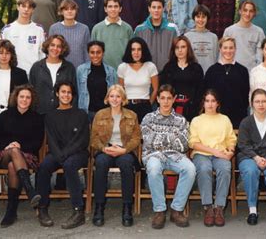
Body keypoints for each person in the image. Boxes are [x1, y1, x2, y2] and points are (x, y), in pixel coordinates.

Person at [141, 84, 196, 229]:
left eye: (169, 98)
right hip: (154, 155)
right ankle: (160, 211)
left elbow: (183, 144)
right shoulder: (148, 118)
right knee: (153, 169)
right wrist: (171, 138)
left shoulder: (181, 120)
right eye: (163, 98)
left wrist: (159, 139)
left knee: (190, 169)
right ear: (157, 99)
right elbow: (148, 140)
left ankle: (177, 210)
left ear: (174, 99)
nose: (166, 102)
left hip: (175, 156)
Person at [36, 82, 90, 229]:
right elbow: (51, 139)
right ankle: (42, 208)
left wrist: (64, 154)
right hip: (57, 152)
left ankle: (78, 211)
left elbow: (82, 140)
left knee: (69, 165)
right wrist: (59, 155)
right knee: (44, 166)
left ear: (72, 95)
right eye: (63, 92)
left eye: (69, 92)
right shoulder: (50, 116)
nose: (66, 95)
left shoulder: (81, 114)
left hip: (78, 153)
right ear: (57, 94)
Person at [0, 84, 44, 227]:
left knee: (12, 165)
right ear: (16, 97)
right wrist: (9, 146)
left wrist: (20, 147)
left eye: (28, 97)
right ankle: (29, 189)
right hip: (4, 154)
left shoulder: (37, 118)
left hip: (27, 157)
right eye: (22, 96)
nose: (24, 100)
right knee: (13, 153)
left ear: (32, 100)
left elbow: (37, 143)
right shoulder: (4, 116)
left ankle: (11, 211)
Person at [90, 85, 141, 227]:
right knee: (100, 163)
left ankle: (127, 207)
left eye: (118, 96)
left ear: (123, 99)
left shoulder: (132, 115)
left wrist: (124, 150)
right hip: (105, 150)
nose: (115, 99)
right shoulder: (100, 114)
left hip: (124, 151)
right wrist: (104, 148)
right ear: (107, 98)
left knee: (126, 164)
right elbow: (93, 138)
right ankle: (99, 207)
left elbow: (136, 138)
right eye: (112, 96)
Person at [189, 90, 236, 227]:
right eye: (207, 101)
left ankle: (219, 207)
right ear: (203, 103)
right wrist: (215, 152)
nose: (210, 104)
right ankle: (208, 207)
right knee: (204, 169)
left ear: (218, 103)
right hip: (201, 153)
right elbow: (193, 143)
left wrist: (231, 151)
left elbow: (231, 139)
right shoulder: (197, 120)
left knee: (225, 168)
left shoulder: (224, 119)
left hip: (221, 154)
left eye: (213, 101)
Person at [237, 89, 266, 225]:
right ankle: (252, 210)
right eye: (257, 101)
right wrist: (256, 158)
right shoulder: (246, 122)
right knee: (251, 171)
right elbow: (243, 145)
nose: (261, 104)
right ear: (252, 104)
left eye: (264, 101)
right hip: (248, 157)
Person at [204, 37, 250, 129]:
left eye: (231, 48)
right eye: (225, 48)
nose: (228, 51)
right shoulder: (212, 70)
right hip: (216, 116)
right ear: (220, 49)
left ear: (235, 49)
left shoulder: (242, 70)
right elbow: (206, 95)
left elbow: (245, 95)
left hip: (237, 118)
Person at [29, 35, 76, 115]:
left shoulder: (69, 68)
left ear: (62, 49)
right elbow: (31, 91)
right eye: (52, 45)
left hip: (63, 114)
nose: (55, 49)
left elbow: (74, 92)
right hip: (40, 114)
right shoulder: (36, 67)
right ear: (47, 47)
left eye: (59, 46)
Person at [159, 36, 204, 121]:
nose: (180, 50)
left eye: (183, 47)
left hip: (192, 110)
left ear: (188, 49)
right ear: (173, 50)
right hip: (171, 110)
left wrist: (196, 108)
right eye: (177, 47)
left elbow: (200, 91)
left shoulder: (196, 68)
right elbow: (163, 90)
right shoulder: (168, 68)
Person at [0, 0, 45, 75]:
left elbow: (42, 53)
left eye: (29, 7)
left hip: (33, 73)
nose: (26, 9)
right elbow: (1, 53)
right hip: (13, 72)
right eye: (23, 6)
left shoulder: (39, 30)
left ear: (33, 10)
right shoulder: (7, 30)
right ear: (18, 7)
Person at [118, 37, 159, 122]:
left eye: (139, 49)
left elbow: (155, 89)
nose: (136, 53)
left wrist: (149, 104)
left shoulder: (150, 66)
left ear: (143, 51)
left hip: (145, 107)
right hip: (127, 107)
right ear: (129, 51)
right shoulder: (122, 67)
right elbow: (121, 90)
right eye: (133, 49)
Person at [134, 0, 178, 71]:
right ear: (149, 9)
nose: (156, 10)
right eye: (154, 7)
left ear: (163, 9)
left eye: (159, 7)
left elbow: (178, 52)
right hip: (145, 73)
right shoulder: (139, 30)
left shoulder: (172, 29)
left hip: (168, 73)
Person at [77, 41, 117, 122]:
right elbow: (78, 91)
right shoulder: (81, 70)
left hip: (105, 113)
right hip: (87, 113)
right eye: (92, 52)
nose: (95, 55)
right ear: (88, 53)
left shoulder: (111, 71)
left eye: (98, 52)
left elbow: (114, 93)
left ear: (103, 53)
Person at [91, 0, 133, 69]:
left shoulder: (127, 28)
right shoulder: (97, 29)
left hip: (123, 72)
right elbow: (92, 52)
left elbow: (132, 51)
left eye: (116, 6)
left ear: (120, 9)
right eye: (110, 6)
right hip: (102, 71)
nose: (113, 9)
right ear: (105, 9)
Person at [223, 0, 265, 71]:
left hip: (251, 73)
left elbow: (260, 57)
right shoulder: (229, 31)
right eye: (245, 10)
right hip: (232, 72)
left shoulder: (259, 32)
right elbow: (222, 54)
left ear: (254, 13)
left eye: (251, 11)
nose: (248, 14)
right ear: (240, 11)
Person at [49, 0, 90, 68]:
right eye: (66, 9)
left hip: (80, 69)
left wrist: (86, 69)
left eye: (72, 9)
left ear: (76, 11)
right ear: (61, 12)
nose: (69, 11)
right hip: (59, 69)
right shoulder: (54, 28)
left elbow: (87, 51)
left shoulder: (84, 29)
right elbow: (50, 51)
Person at [184, 4, 218, 73]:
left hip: (210, 74)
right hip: (192, 75)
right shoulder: (187, 36)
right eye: (198, 17)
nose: (200, 20)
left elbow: (216, 58)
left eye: (203, 17)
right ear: (194, 18)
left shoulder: (213, 37)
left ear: (207, 18)